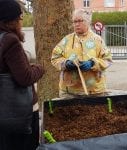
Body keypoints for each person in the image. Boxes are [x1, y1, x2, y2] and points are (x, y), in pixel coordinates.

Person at [0, 0, 45, 150]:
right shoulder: (10, 40)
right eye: (20, 17)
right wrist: (39, 68)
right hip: (19, 113)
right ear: (11, 20)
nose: (21, 20)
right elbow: (25, 77)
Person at [51, 9, 112, 97]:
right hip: (70, 92)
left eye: (80, 21)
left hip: (94, 91)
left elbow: (108, 60)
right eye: (74, 21)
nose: (76, 24)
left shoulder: (98, 40)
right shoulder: (66, 40)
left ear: (88, 22)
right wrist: (66, 64)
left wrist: (92, 63)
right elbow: (55, 58)